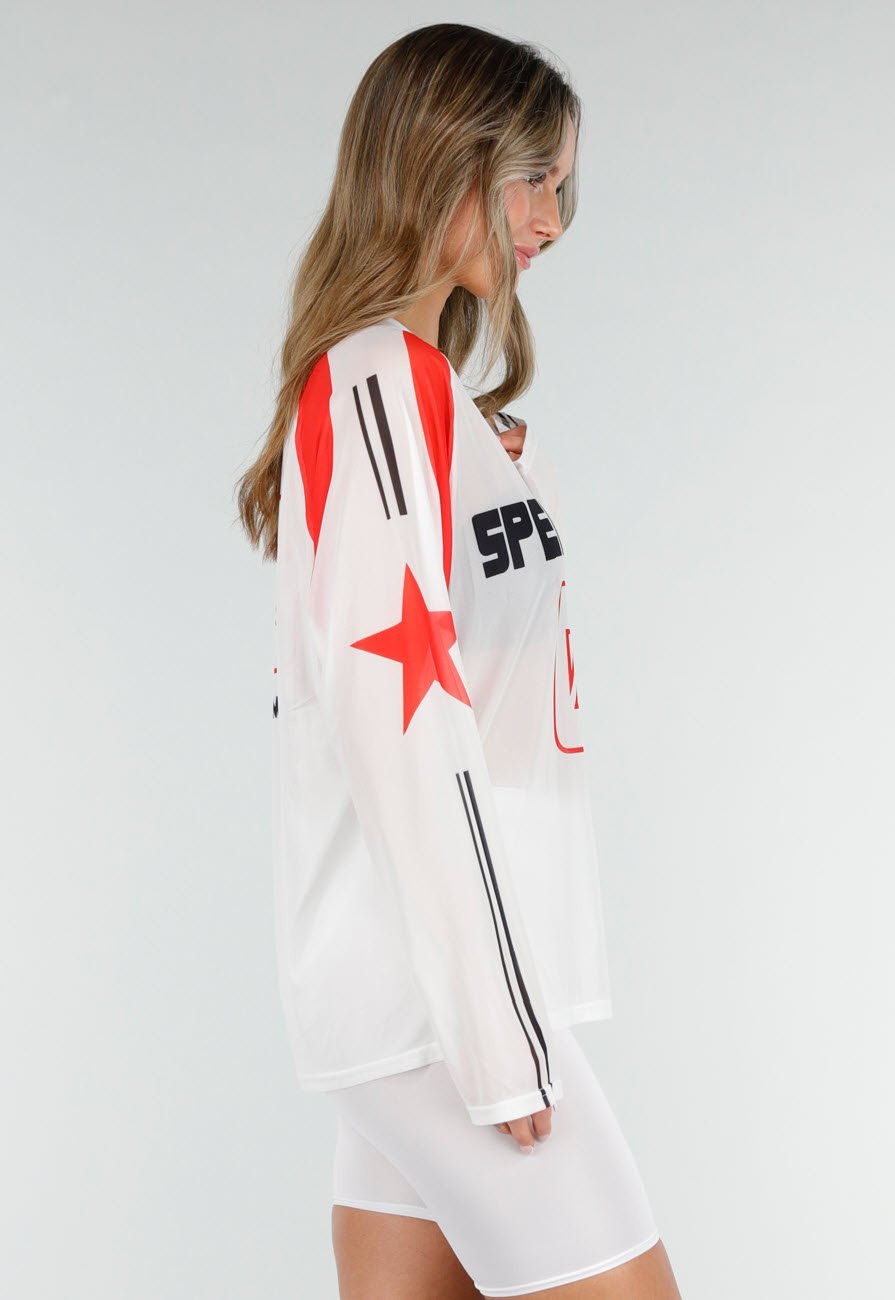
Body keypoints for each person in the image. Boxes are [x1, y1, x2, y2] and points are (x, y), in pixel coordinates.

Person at [236, 21, 683, 1300]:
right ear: (444, 160)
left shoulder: (418, 397)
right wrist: (495, 1033)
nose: (552, 219)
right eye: (533, 178)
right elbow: (401, 727)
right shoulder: (377, 387)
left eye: (565, 186)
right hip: (436, 995)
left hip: (425, 980)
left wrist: (496, 475)